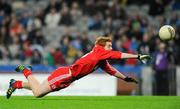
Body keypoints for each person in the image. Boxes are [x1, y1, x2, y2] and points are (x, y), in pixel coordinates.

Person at [6, 36, 151, 99]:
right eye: (109, 45)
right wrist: (137, 56)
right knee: (38, 93)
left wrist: (125, 78)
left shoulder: (101, 59)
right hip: (66, 74)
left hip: (67, 78)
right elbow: (117, 55)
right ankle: (26, 70)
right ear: (101, 46)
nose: (110, 48)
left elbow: (111, 70)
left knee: (39, 88)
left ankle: (16, 84)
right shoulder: (99, 51)